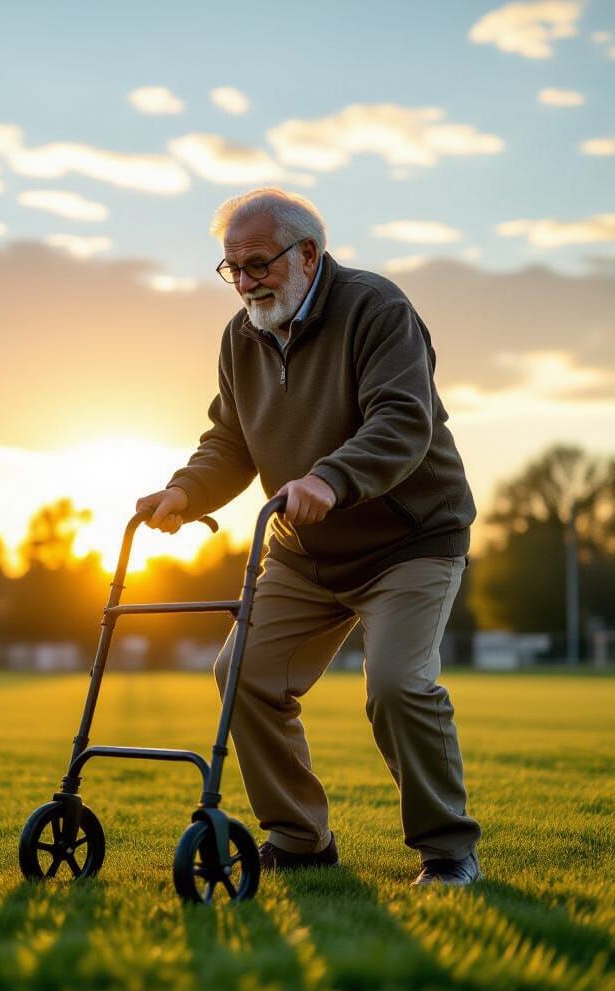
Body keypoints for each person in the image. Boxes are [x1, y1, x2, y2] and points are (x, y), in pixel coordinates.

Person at [136, 188, 481, 886]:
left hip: (408, 539)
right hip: (304, 548)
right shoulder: (242, 336)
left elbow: (402, 420)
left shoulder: (376, 311)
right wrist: (184, 490)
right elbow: (230, 440)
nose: (245, 282)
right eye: (231, 269)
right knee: (243, 675)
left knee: (395, 684)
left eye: (257, 264)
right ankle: (300, 840)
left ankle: (448, 851)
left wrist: (332, 477)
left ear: (307, 255)